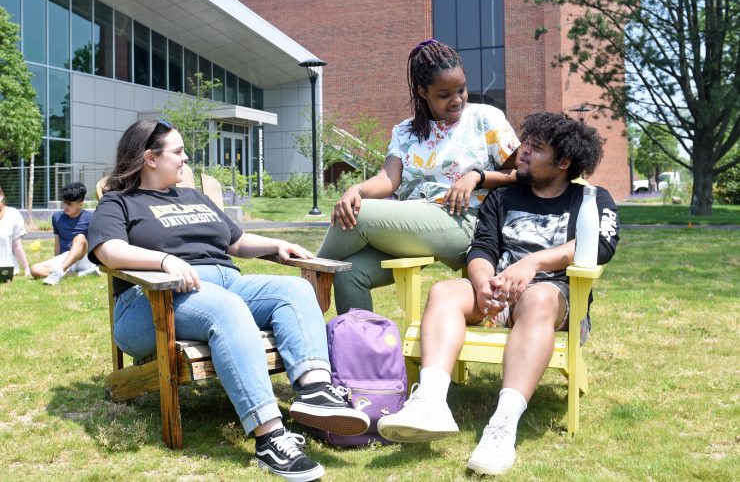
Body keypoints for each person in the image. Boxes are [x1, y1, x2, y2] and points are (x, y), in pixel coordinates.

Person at [87, 119, 370, 482]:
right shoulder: (120, 202)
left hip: (226, 283)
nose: (186, 158)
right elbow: (109, 250)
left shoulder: (194, 197)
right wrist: (163, 261)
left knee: (296, 291)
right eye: (177, 152)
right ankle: (270, 438)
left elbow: (234, 242)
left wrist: (275, 245)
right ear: (150, 158)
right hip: (154, 297)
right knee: (227, 309)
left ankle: (315, 391)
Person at [376, 112, 620, 475]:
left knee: (537, 298)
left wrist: (533, 264)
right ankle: (430, 401)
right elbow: (482, 248)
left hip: (556, 304)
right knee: (445, 291)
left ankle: (503, 424)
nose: (523, 152)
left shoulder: (591, 199)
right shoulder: (503, 196)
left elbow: (599, 245)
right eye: (527, 143)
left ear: (563, 162)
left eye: (537, 149)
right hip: (499, 296)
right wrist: (482, 282)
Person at [317, 39, 520, 314]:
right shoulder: (405, 131)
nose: (457, 99)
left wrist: (477, 176)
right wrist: (358, 189)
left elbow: (521, 172)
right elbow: (389, 179)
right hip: (412, 224)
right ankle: (361, 355)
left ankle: (313, 281)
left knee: (359, 215)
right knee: (348, 274)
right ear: (423, 92)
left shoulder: (484, 119)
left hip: (463, 221)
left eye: (461, 89)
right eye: (444, 94)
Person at [30, 182, 99, 285]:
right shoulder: (57, 217)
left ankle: (59, 272)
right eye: (64, 202)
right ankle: (81, 273)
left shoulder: (91, 217)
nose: (65, 206)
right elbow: (57, 243)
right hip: (65, 259)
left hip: (83, 257)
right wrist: (56, 259)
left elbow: (97, 243)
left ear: (80, 204)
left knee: (79, 238)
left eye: (70, 204)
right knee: (34, 269)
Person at [0, 184, 31, 277]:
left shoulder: (12, 214)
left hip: (5, 270)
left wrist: (26, 268)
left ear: (1, 196)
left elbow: (17, 246)